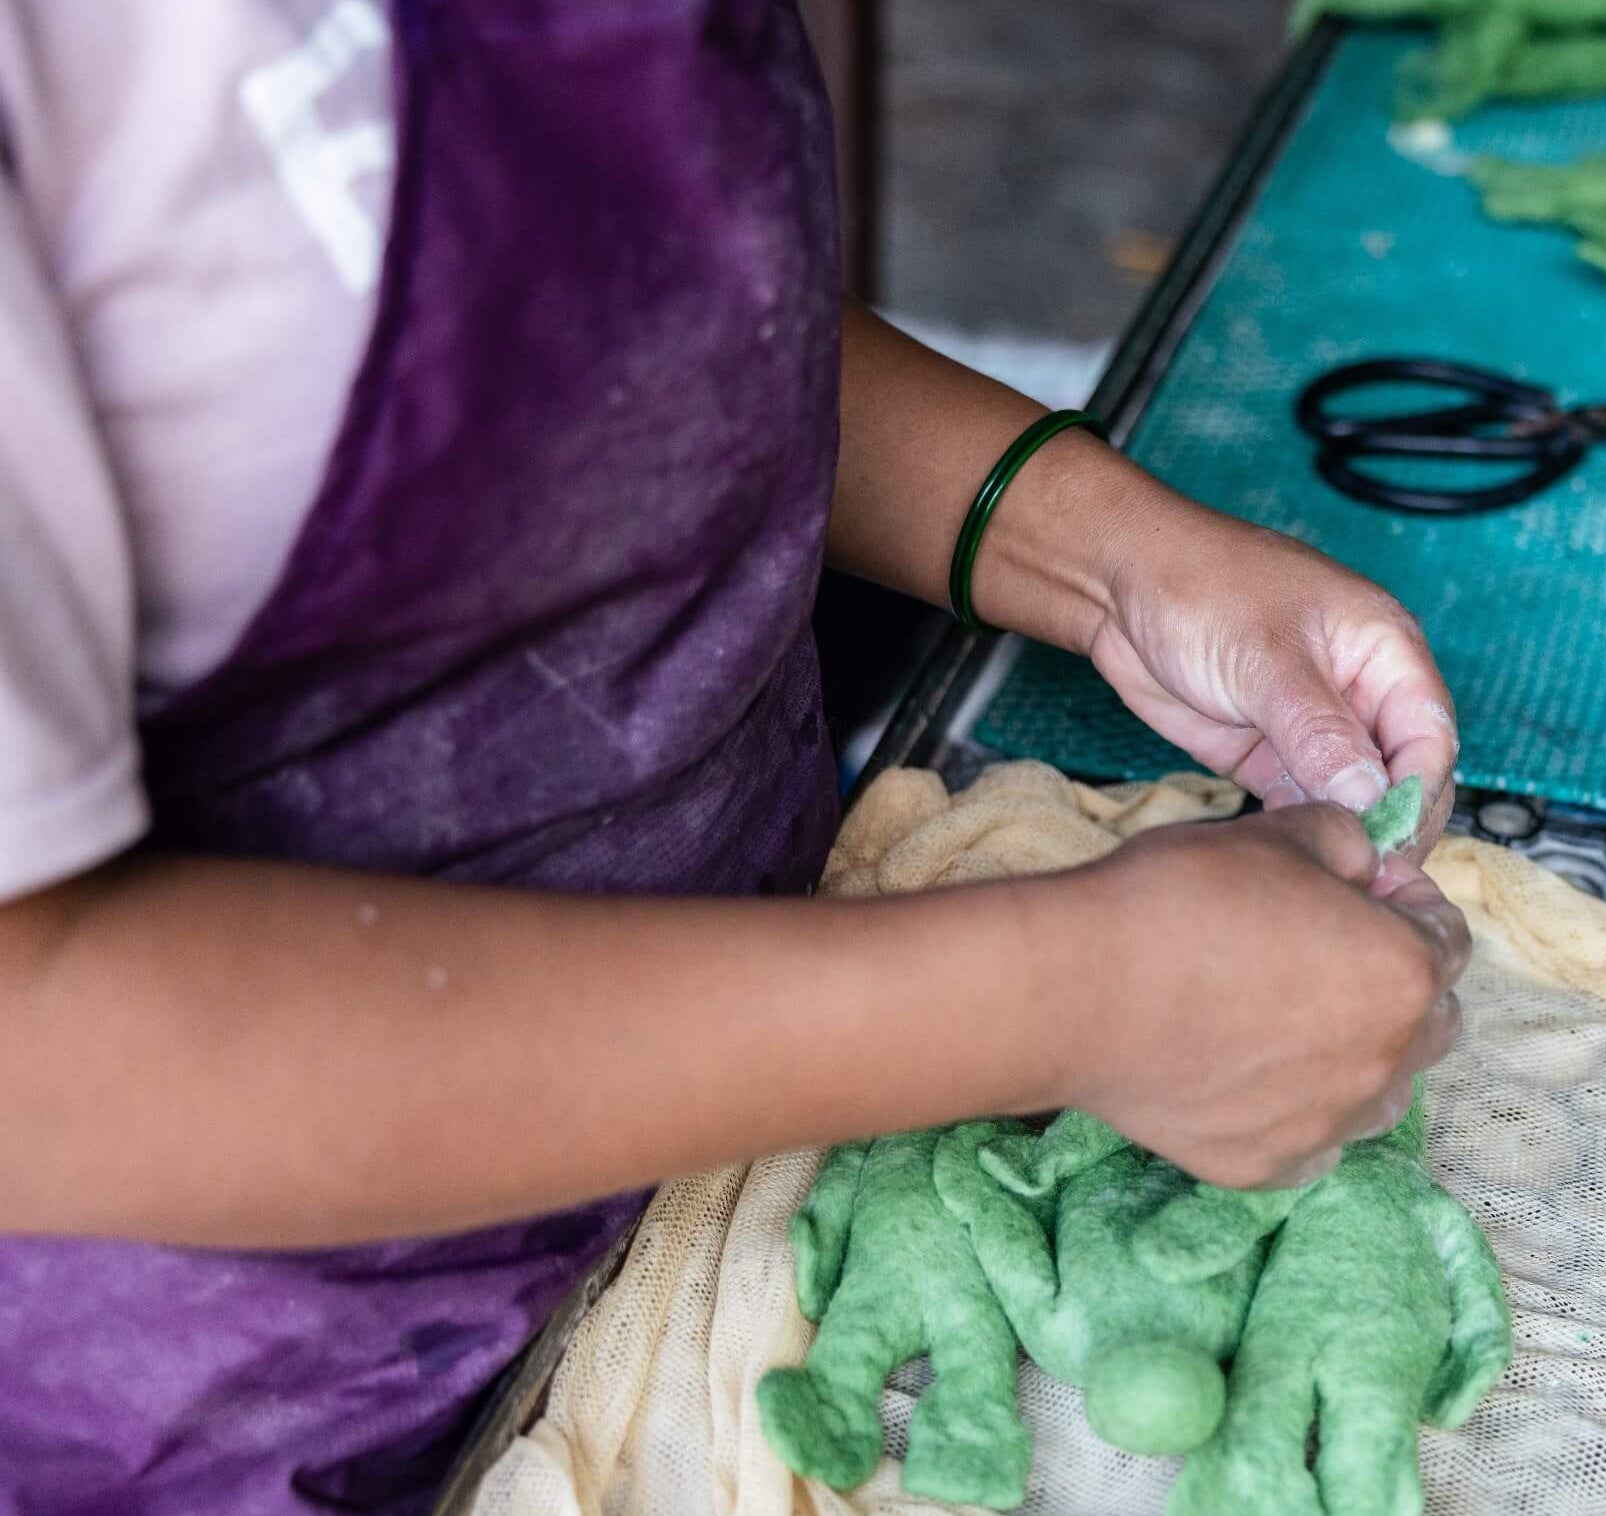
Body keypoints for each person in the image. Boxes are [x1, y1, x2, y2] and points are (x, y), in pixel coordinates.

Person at [0, 4, 1469, 1512]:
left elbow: (603, 315)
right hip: (249, 1406)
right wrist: (1085, 994)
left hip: (760, 1104)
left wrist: (1100, 552)